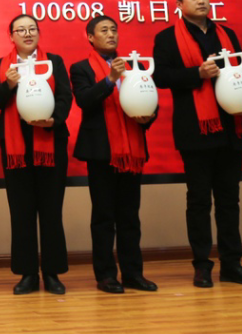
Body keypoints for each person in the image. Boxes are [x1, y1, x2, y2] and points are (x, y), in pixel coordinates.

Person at [152, 0, 242, 288]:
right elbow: (161, 76)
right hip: (195, 129)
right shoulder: (166, 37)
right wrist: (196, 73)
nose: (202, 1)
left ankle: (232, 264)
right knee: (199, 201)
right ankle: (202, 265)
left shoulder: (227, 33)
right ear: (179, 4)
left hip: (230, 127)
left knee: (229, 200)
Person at [71, 15, 157, 294]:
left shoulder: (135, 65)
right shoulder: (81, 68)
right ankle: (106, 275)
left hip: (132, 149)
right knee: (104, 217)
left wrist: (149, 116)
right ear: (90, 37)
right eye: (104, 30)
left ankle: (133, 274)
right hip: (101, 151)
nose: (111, 34)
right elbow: (84, 100)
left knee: (130, 217)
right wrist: (110, 79)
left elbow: (149, 98)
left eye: (114, 30)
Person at [0, 14, 71, 295]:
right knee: (21, 211)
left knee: (51, 210)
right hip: (15, 147)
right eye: (20, 30)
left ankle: (52, 273)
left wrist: (54, 120)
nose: (27, 33)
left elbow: (65, 97)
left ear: (38, 33)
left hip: (50, 141)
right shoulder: (2, 65)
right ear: (11, 36)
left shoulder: (54, 61)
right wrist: (8, 84)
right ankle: (27, 274)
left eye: (32, 29)